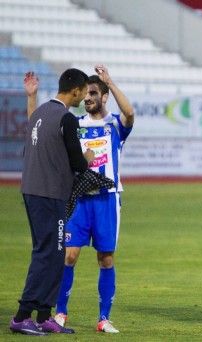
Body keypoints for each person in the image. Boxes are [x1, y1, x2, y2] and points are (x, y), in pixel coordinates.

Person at [24, 65, 134, 333]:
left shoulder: (114, 126)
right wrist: (32, 97)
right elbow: (37, 130)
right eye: (86, 94)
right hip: (78, 200)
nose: (87, 98)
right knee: (68, 256)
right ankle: (60, 313)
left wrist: (111, 80)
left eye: (93, 92)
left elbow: (129, 113)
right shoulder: (75, 123)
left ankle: (103, 318)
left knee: (106, 258)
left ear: (104, 96)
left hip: (107, 200)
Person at [10, 68, 93, 335]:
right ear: (76, 91)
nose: (83, 96)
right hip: (49, 193)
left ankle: (45, 314)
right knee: (48, 252)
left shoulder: (42, 112)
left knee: (54, 252)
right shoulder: (67, 119)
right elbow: (78, 163)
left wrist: (31, 97)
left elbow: (34, 130)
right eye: (83, 91)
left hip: (33, 190)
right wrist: (89, 157)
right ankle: (22, 316)